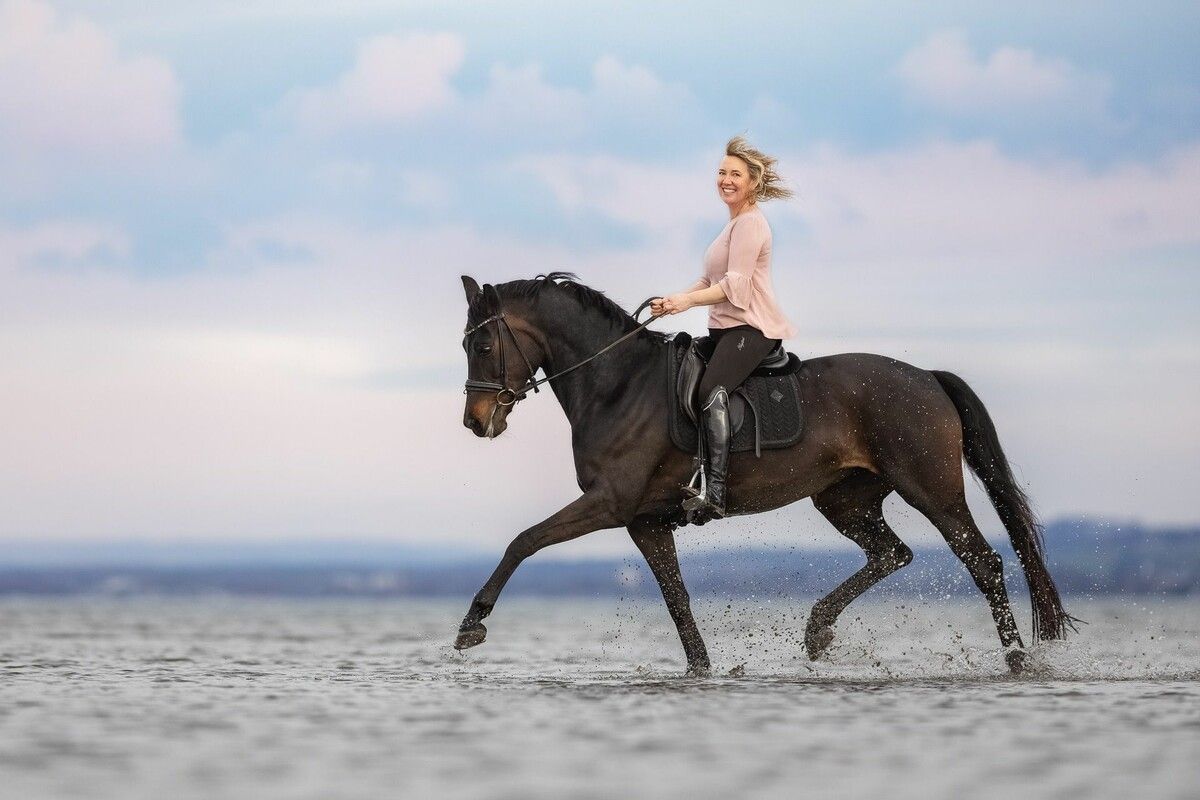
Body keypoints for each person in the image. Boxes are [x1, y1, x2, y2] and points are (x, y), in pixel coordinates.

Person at [651, 136, 797, 522]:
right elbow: (707, 280)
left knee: (709, 391)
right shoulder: (730, 226)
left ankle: (715, 491)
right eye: (721, 172)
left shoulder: (750, 225)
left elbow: (735, 287)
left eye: (735, 174)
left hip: (751, 329)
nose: (726, 179)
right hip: (724, 331)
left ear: (752, 183)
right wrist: (674, 300)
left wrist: (686, 303)